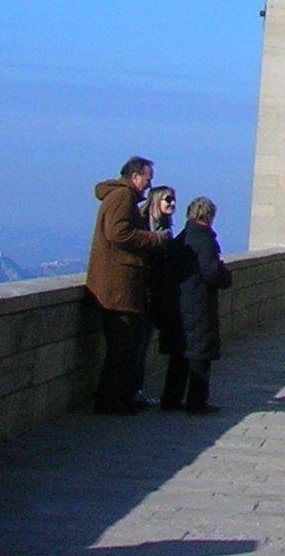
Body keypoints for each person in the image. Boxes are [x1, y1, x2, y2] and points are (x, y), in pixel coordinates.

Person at [86, 157, 164, 415]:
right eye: (147, 179)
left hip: (119, 288)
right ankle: (110, 401)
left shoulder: (120, 196)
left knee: (124, 348)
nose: (148, 184)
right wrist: (153, 238)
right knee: (120, 349)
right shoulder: (122, 197)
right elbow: (117, 233)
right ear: (135, 176)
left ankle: (119, 398)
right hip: (118, 289)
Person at [162, 198, 233, 413]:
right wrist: (225, 275)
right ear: (209, 216)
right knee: (200, 356)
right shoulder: (205, 240)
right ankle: (196, 402)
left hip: (179, 301)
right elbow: (211, 273)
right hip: (199, 302)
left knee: (179, 353)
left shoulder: (182, 237)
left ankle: (170, 399)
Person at [140, 186, 180, 405]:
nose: (172, 203)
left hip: (157, 293)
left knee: (143, 345)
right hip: (146, 293)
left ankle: (135, 391)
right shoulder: (146, 224)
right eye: (168, 199)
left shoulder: (165, 227)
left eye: (174, 200)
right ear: (156, 200)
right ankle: (131, 392)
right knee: (137, 346)